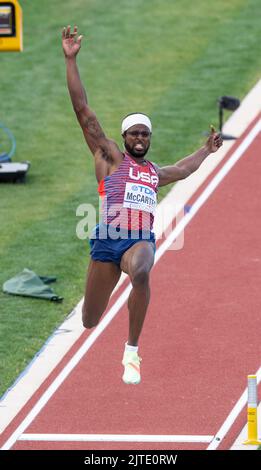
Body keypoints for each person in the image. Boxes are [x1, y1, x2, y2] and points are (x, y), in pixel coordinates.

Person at [62, 25, 223, 385]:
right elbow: (82, 110)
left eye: (145, 134)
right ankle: (104, 321)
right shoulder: (109, 158)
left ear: (150, 138)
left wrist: (207, 149)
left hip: (138, 240)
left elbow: (182, 169)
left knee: (142, 272)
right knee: (89, 320)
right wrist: (71, 61)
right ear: (123, 137)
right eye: (134, 133)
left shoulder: (153, 172)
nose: (139, 138)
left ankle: (131, 351)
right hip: (106, 241)